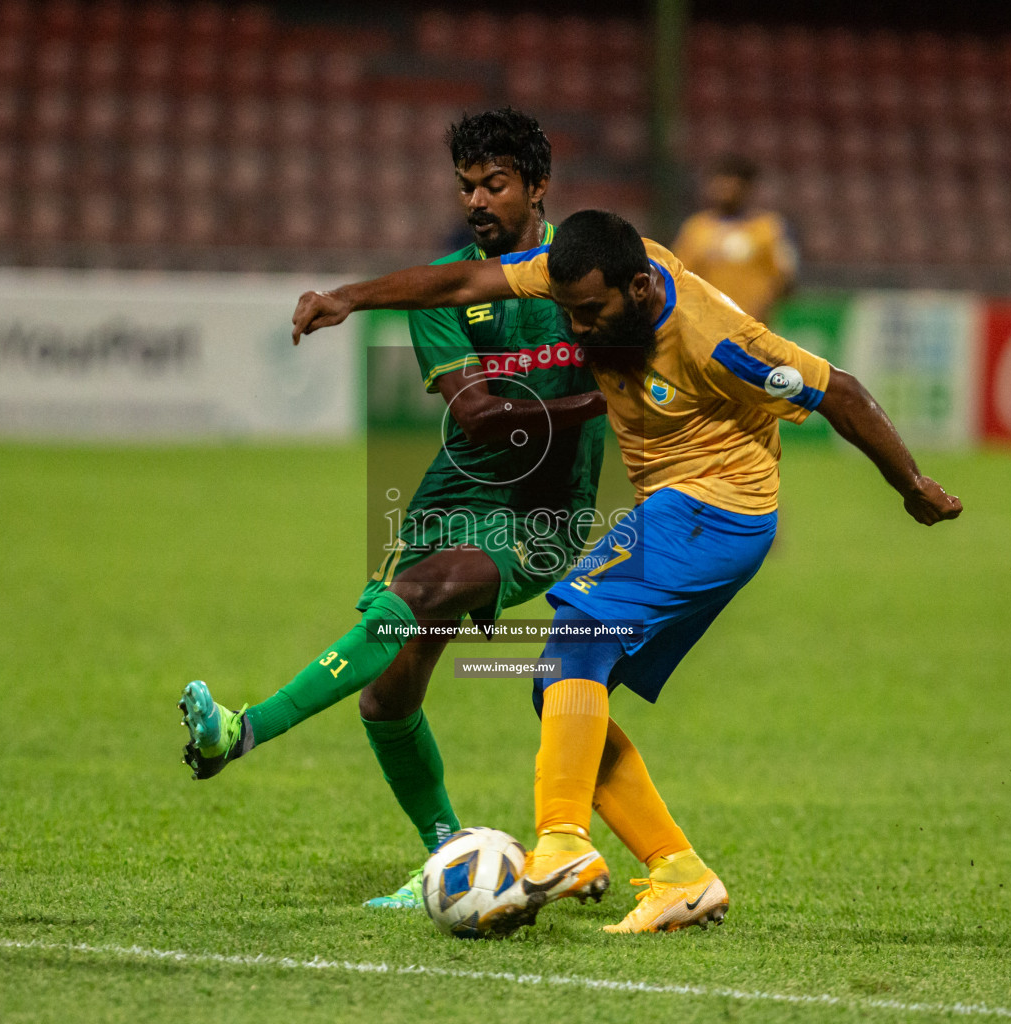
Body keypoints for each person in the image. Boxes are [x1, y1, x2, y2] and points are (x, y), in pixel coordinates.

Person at [290, 209, 963, 934]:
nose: (576, 328)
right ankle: (678, 873)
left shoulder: (719, 341)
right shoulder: (580, 269)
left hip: (715, 508)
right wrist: (349, 298)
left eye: (591, 313)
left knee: (577, 634)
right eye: (568, 311)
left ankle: (559, 842)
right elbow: (460, 280)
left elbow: (843, 392)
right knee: (559, 691)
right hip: (679, 508)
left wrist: (912, 486)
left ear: (640, 288)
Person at [177, 108, 611, 909]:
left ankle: (238, 734)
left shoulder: (583, 271)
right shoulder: (444, 288)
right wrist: (600, 400)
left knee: (421, 595)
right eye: (467, 186)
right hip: (454, 497)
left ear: (539, 186)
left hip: (544, 518)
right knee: (389, 697)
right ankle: (446, 858)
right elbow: (479, 414)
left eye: (496, 184)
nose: (477, 200)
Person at [671, 154, 797, 322]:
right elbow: (677, 277)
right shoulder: (696, 228)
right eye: (719, 182)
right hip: (705, 329)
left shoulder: (768, 228)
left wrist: (762, 306)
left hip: (753, 329)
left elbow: (785, 279)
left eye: (732, 183)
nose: (724, 189)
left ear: (747, 188)